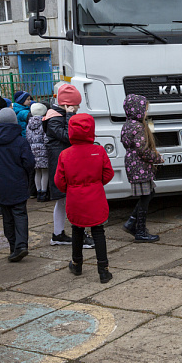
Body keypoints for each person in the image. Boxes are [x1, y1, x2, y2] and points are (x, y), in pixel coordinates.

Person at [56, 113, 114, 282]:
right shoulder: (98, 150)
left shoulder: (65, 154)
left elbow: (59, 181)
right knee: (98, 231)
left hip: (75, 198)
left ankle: (77, 264)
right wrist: (96, 183)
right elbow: (108, 173)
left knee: (77, 229)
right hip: (95, 196)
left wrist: (71, 187)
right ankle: (103, 270)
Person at [44, 84, 91, 247]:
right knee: (72, 201)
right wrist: (70, 116)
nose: (78, 107)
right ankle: (79, 235)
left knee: (64, 202)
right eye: (76, 104)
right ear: (66, 104)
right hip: (62, 165)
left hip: (63, 163)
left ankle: (58, 235)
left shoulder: (57, 116)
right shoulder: (55, 118)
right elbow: (70, 136)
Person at [0, 107, 35, 262]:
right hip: (18, 182)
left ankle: (12, 245)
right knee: (20, 214)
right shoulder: (20, 140)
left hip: (0, 184)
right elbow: (29, 162)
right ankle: (21, 245)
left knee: (7, 217)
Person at [121, 94, 163, 242]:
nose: (146, 112)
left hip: (133, 164)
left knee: (149, 193)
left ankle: (132, 222)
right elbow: (142, 150)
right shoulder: (138, 127)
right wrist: (157, 158)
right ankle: (139, 230)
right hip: (140, 166)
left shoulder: (127, 124)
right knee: (146, 196)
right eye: (145, 109)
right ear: (137, 110)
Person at [27, 103, 50, 201]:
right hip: (43, 150)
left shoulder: (29, 124)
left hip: (33, 150)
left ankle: (38, 191)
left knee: (37, 172)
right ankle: (44, 193)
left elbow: (28, 137)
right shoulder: (44, 123)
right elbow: (46, 137)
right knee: (45, 171)